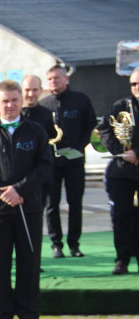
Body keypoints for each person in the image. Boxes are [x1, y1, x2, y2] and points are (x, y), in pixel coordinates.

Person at [0, 80, 52, 319]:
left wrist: (21, 189)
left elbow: (45, 165)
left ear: (21, 101)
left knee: (29, 262)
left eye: (14, 100)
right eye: (5, 101)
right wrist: (2, 192)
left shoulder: (36, 131)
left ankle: (29, 316)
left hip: (28, 207)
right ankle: (2, 314)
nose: (10, 105)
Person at [40, 65, 97, 258]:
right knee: (52, 205)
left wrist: (79, 147)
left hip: (74, 161)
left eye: (56, 78)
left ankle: (74, 244)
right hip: (52, 164)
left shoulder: (81, 100)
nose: (53, 82)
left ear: (66, 79)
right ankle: (56, 244)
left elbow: (90, 125)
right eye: (50, 79)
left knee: (75, 203)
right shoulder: (44, 105)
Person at [98, 68, 139, 275]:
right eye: (133, 84)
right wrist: (123, 151)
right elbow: (104, 130)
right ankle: (122, 260)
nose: (137, 87)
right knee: (121, 218)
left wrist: (136, 152)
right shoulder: (121, 106)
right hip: (122, 172)